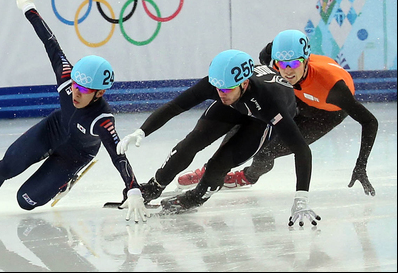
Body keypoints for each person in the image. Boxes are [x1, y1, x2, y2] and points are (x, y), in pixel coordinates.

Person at [0, 0, 148, 223]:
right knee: (7, 165)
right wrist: (29, 8)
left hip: (75, 154)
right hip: (53, 129)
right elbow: (50, 42)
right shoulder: (67, 77)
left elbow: (118, 156)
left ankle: (65, 181)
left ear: (100, 93)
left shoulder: (102, 120)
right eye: (76, 85)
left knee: (24, 200)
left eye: (85, 90)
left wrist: (133, 188)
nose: (76, 92)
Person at [117, 49, 320, 226]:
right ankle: (155, 186)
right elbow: (175, 106)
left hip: (262, 118)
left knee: (218, 165)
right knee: (192, 141)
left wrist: (301, 198)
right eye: (217, 88)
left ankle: (196, 198)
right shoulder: (219, 83)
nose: (220, 93)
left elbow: (302, 149)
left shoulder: (270, 101)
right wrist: (142, 131)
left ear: (244, 83)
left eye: (226, 89)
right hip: (236, 105)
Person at [177, 29, 378, 197]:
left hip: (325, 113)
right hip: (298, 96)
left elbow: (370, 121)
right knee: (249, 119)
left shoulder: (334, 89)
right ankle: (213, 167)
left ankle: (248, 176)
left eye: (293, 64)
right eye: (281, 64)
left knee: (268, 150)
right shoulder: (270, 58)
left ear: (306, 60)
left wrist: (361, 165)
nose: (287, 71)